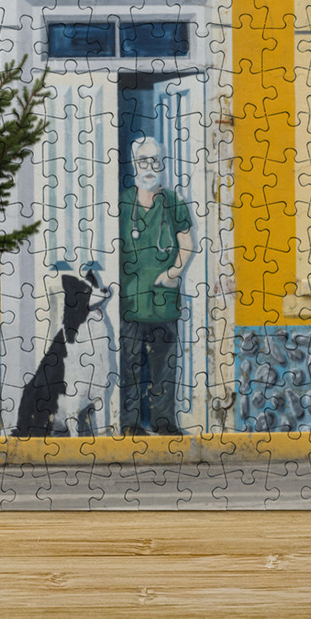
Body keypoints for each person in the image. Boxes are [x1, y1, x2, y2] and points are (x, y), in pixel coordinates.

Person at [119, 136, 193, 436]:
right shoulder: (122, 203)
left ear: (162, 164)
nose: (149, 166)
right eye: (143, 160)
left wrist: (174, 273)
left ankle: (164, 421)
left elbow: (187, 243)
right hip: (131, 300)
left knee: (165, 365)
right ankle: (131, 423)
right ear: (133, 163)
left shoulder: (173, 202)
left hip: (163, 300)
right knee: (130, 365)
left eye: (155, 160)